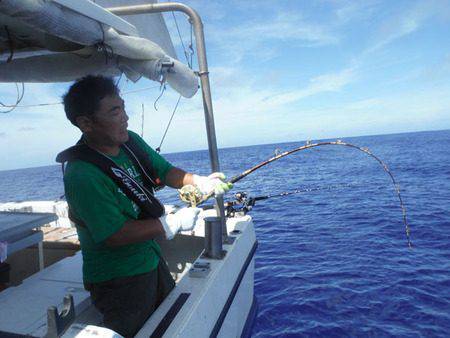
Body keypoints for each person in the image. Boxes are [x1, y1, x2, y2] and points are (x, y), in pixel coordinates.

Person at [59, 75, 231, 337]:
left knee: (169, 324)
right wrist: (169, 223)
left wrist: (197, 181)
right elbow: (113, 235)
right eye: (115, 111)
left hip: (150, 259)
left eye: (123, 107)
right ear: (85, 123)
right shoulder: (82, 174)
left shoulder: (130, 142)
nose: (125, 117)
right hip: (118, 280)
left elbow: (164, 171)